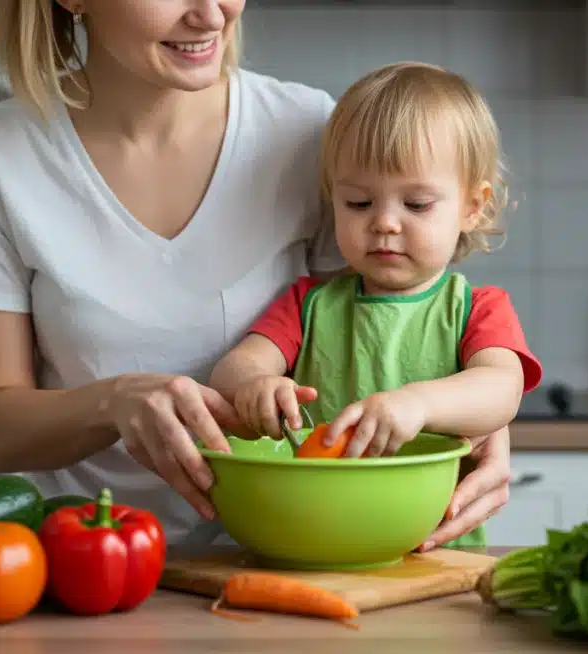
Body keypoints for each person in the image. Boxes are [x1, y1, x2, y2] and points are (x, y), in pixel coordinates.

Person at [0, 0, 517, 549]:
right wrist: (114, 402)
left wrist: (479, 419)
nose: (212, 14)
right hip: (91, 555)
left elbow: (385, 322)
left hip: (285, 552)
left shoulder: (308, 131)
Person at [209, 61, 543, 550]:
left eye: (417, 204)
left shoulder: (476, 308)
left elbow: (501, 389)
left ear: (473, 206)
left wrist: (417, 403)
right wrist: (255, 386)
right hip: (316, 540)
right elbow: (234, 368)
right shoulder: (307, 303)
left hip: (435, 550)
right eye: (359, 204)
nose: (385, 223)